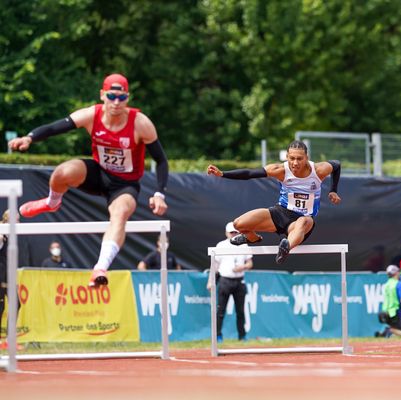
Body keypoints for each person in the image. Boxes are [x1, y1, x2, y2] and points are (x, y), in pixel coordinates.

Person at [8, 73, 169, 287]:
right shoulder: (91, 115)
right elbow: (57, 127)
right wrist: (30, 137)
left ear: (127, 98)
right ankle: (51, 202)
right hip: (97, 173)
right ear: (103, 95)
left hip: (124, 184)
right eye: (111, 96)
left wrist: (159, 193)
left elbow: (161, 160)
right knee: (61, 172)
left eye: (121, 98)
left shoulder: (141, 123)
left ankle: (100, 268)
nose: (116, 103)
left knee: (119, 215)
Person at [206, 140, 341, 264]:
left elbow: (337, 165)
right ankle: (252, 238)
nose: (295, 163)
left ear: (307, 158)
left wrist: (333, 190)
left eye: (300, 159)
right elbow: (249, 173)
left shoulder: (318, 171)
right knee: (238, 224)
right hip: (281, 212)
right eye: (292, 158)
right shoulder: (280, 170)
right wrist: (222, 173)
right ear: (287, 157)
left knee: (304, 222)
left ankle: (286, 247)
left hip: (302, 220)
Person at [207, 222, 253, 342]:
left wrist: (242, 267)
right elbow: (214, 266)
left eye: (235, 232)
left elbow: (250, 263)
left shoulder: (244, 245)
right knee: (220, 310)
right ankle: (218, 335)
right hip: (225, 281)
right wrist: (210, 281)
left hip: (239, 281)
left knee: (240, 311)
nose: (233, 234)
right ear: (226, 233)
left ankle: (242, 336)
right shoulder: (221, 245)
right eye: (231, 232)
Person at [0, 210, 22, 350]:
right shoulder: (2, 233)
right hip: (0, 273)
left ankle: (10, 339)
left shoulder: (11, 235)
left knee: (15, 303)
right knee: (0, 307)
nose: (19, 222)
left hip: (8, 273)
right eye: (17, 219)